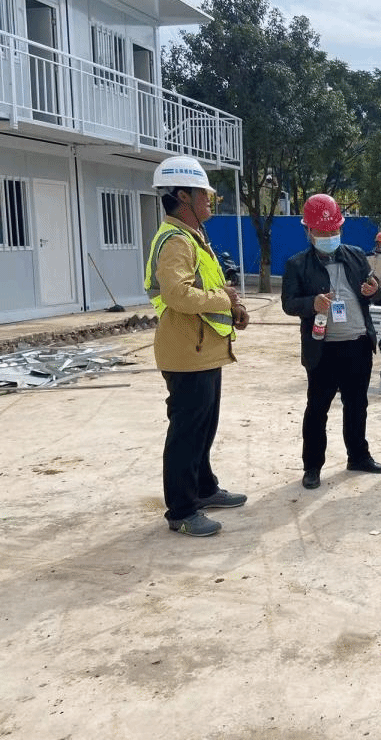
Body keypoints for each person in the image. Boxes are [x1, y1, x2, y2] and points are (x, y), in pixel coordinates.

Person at [145, 155, 249, 537]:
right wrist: (223, 298)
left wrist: (233, 309)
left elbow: (208, 290)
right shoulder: (175, 241)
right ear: (182, 196)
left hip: (204, 351)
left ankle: (204, 488)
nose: (210, 199)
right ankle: (182, 511)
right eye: (204, 194)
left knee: (204, 429)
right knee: (187, 434)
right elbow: (178, 295)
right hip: (186, 353)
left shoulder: (193, 237)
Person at [282, 194, 381, 490]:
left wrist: (374, 291)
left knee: (357, 405)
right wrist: (312, 303)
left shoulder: (356, 255)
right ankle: (312, 466)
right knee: (317, 410)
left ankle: (359, 456)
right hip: (323, 349)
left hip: (357, 344)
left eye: (334, 230)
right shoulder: (297, 264)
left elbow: (379, 291)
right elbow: (289, 303)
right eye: (322, 231)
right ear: (308, 231)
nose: (329, 236)